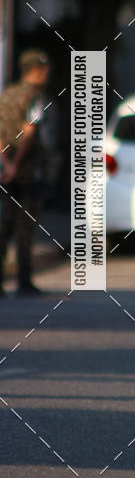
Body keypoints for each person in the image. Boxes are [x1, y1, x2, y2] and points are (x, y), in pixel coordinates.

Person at [0, 49, 51, 297]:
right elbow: (29, 131)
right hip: (28, 165)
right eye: (45, 70)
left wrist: (6, 163)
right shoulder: (35, 97)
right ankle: (24, 280)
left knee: (5, 223)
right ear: (37, 70)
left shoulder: (7, 95)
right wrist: (18, 164)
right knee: (26, 223)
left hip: (6, 166)